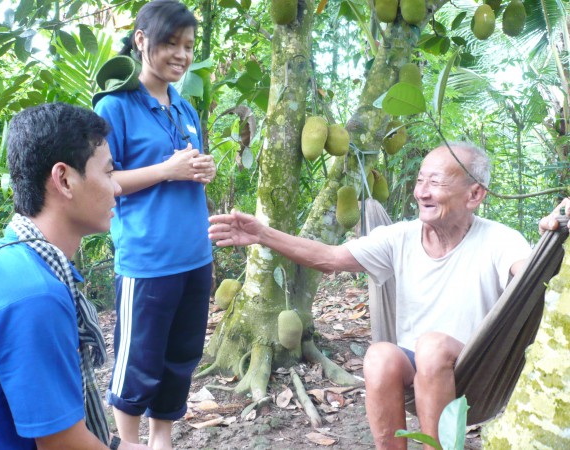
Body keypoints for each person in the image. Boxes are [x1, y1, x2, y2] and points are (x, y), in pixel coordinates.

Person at [208, 142, 535, 449]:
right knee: (379, 355)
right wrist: (262, 234)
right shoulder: (400, 238)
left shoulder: (501, 240)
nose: (422, 192)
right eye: (420, 180)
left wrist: (554, 237)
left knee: (432, 346)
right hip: (416, 368)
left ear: (474, 194)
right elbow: (330, 258)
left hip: (479, 370)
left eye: (435, 182)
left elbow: (534, 277)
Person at [0, 103, 150, 449]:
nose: (116, 188)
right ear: (64, 180)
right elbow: (61, 445)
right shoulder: (34, 296)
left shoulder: (10, 264)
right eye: (108, 173)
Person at [93, 1, 216, 448]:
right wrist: (167, 169)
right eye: (170, 43)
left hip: (195, 255)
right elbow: (103, 182)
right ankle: (128, 441)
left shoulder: (184, 107)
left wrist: (200, 168)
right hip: (147, 259)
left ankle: (161, 439)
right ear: (141, 39)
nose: (181, 55)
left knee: (182, 355)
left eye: (188, 45)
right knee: (138, 359)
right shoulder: (115, 107)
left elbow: (184, 169)